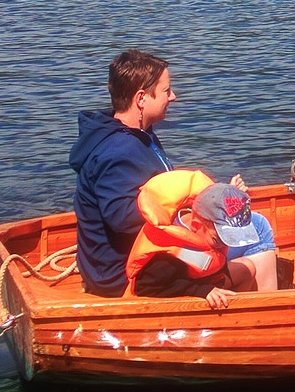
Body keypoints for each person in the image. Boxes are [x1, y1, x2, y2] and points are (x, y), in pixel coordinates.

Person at [69, 49, 278, 296]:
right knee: (258, 231)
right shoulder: (117, 152)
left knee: (252, 224)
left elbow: (162, 195)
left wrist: (217, 198)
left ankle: (252, 296)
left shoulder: (137, 134)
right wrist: (203, 216)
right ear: (141, 99)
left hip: (148, 254)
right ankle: (267, 309)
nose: (174, 97)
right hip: (128, 273)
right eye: (166, 91)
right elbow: (125, 220)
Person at [124, 171, 268, 310]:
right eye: (219, 240)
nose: (225, 245)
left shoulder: (200, 223)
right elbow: (145, 288)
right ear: (196, 226)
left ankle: (236, 319)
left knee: (247, 269)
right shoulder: (171, 254)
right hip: (159, 305)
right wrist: (201, 290)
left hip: (201, 281)